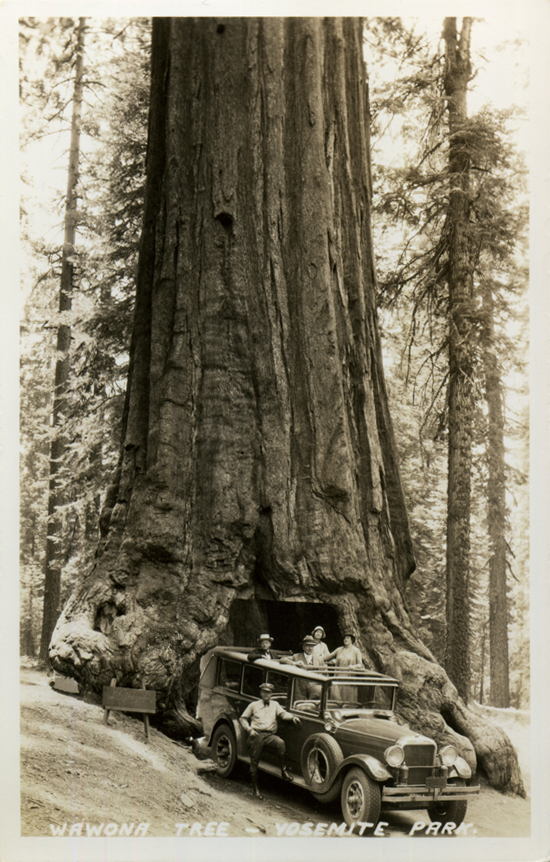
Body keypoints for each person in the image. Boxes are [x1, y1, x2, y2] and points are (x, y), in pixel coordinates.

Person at [239, 683, 301, 798]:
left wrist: (293, 718)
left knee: (281, 744)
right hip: (257, 734)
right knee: (254, 761)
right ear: (261, 693)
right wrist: (249, 730)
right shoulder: (253, 705)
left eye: (268, 692)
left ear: (271, 694)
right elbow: (243, 718)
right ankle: (255, 789)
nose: (266, 694)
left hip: (270, 735)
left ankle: (284, 771)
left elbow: (283, 714)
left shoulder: (275, 705)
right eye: (264, 691)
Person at [326, 633, 364, 703]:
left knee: (348, 698)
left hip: (349, 678)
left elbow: (360, 664)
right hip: (338, 676)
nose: (346, 640)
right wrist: (315, 657)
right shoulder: (339, 650)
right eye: (344, 638)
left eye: (348, 638)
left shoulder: (356, 651)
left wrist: (353, 667)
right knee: (337, 698)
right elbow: (328, 657)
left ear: (351, 640)